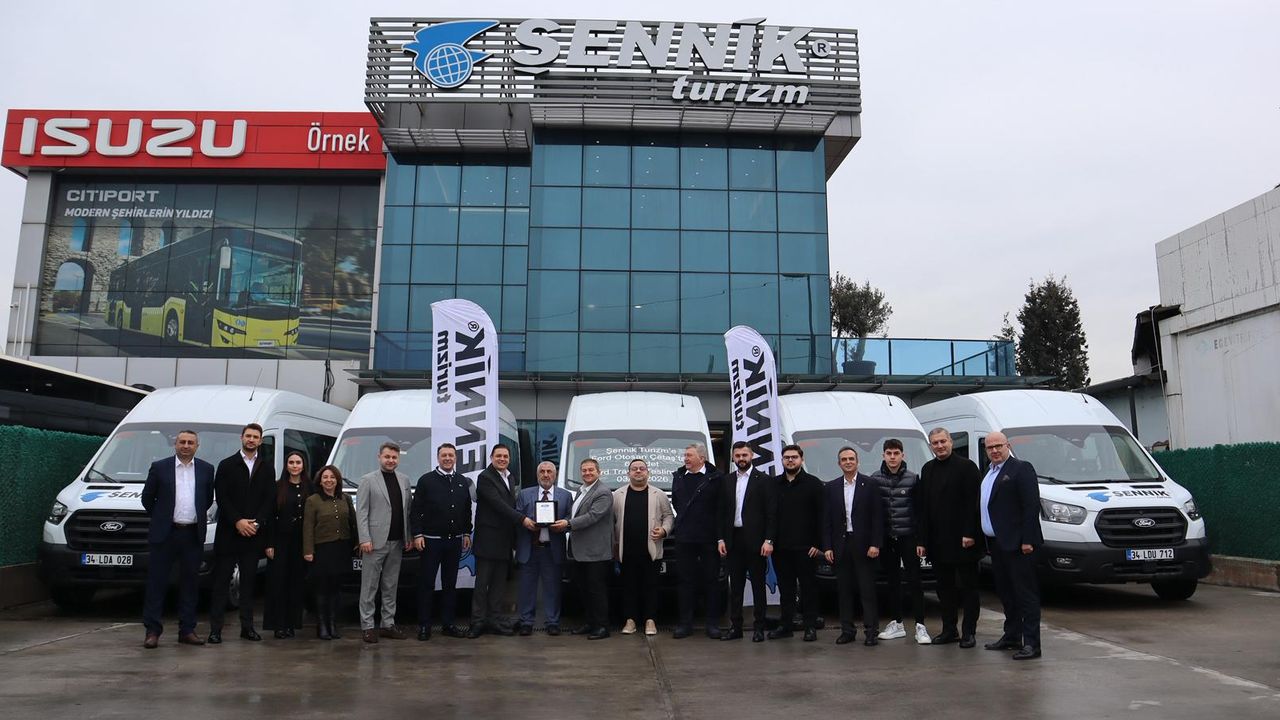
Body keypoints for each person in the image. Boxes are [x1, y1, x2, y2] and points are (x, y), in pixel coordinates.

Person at [140, 429, 214, 648]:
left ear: (197, 446)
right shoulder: (160, 467)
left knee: (190, 584)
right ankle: (152, 631)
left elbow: (206, 499)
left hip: (192, 534)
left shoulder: (206, 469)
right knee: (157, 583)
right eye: (182, 442)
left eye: (190, 442)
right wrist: (162, 517)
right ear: (175, 444)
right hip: (165, 534)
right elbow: (147, 499)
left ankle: (187, 630)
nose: (186, 446)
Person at [916, 428, 984, 648]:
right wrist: (922, 540)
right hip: (938, 542)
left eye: (943, 441)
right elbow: (924, 508)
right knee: (944, 589)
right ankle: (949, 630)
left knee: (968, 588)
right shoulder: (928, 469)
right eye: (935, 443)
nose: (939, 446)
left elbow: (974, 503)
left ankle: (969, 632)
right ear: (930, 446)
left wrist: (970, 533)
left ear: (951, 442)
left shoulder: (967, 467)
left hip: (964, 540)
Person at [208, 423, 275, 644]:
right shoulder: (227, 465)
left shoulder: (267, 468)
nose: (251, 440)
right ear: (242, 438)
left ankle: (247, 628)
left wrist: (257, 522)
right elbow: (222, 497)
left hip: (253, 535)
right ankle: (215, 630)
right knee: (221, 584)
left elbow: (269, 499)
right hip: (228, 534)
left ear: (260, 440)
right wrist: (237, 521)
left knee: (248, 585)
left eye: (255, 437)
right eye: (248, 436)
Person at [980, 431, 1044, 660]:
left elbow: (1031, 506)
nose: (995, 450)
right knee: (1006, 593)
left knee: (1025, 594)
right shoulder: (988, 473)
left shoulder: (1021, 468)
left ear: (1007, 445)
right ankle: (1012, 636)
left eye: (998, 446)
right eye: (990, 447)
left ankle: (1032, 644)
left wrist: (1027, 540)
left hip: (1019, 545)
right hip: (997, 544)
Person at [410, 442, 473, 641]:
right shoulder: (426, 480)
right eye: (444, 455)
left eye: (450, 455)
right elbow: (415, 510)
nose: (447, 458)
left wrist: (466, 533)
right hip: (430, 542)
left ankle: (448, 624)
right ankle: (424, 626)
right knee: (427, 584)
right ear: (438, 458)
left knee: (450, 585)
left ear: (455, 458)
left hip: (454, 542)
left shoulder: (462, 481)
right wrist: (417, 534)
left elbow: (466, 510)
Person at [821, 446, 884, 646]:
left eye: (851, 459)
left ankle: (871, 632)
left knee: (867, 591)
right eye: (844, 459)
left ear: (857, 461)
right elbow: (826, 520)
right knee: (844, 591)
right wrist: (827, 546)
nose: (848, 462)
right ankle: (847, 631)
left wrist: (875, 544)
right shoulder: (831, 487)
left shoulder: (871, 484)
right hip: (841, 545)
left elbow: (878, 517)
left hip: (864, 546)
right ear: (839, 463)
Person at [872, 439, 930, 645]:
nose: (892, 457)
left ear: (902, 455)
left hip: (909, 537)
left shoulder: (913, 479)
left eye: (896, 453)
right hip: (887, 539)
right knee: (892, 581)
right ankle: (897, 623)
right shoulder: (875, 479)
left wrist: (921, 541)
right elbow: (873, 512)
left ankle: (920, 626)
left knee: (915, 581)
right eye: (889, 453)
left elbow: (920, 512)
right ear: (883, 455)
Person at [469, 443, 530, 638]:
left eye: (505, 456)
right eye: (498, 456)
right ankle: (477, 621)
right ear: (491, 458)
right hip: (488, 539)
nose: (502, 459)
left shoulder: (510, 477)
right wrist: (522, 519)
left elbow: (511, 504)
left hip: (504, 540)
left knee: (499, 584)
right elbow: (498, 504)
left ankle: (494, 620)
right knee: (482, 584)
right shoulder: (485, 477)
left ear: (509, 459)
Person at [718, 441, 776, 643]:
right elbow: (721, 513)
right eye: (738, 455)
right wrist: (720, 538)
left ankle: (759, 628)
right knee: (736, 587)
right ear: (733, 457)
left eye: (744, 455)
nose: (741, 459)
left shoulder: (765, 480)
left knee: (758, 586)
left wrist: (769, 540)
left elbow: (771, 513)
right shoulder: (726, 480)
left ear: (752, 456)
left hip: (757, 541)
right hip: (733, 539)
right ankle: (736, 627)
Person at [355, 442, 413, 643]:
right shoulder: (368, 480)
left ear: (399, 459)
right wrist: (364, 538)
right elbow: (362, 512)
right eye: (387, 456)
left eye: (394, 457)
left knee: (390, 585)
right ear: (379, 457)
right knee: (369, 586)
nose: (390, 460)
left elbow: (407, 511)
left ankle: (388, 624)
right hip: (374, 542)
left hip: (397, 542)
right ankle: (367, 626)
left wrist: (408, 536)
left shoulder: (404, 480)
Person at [612, 458, 674, 637]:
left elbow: (669, 516)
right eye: (634, 469)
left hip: (651, 550)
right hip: (626, 550)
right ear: (628, 473)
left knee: (651, 586)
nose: (638, 471)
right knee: (628, 587)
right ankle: (630, 621)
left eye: (642, 468)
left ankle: (650, 620)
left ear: (648, 472)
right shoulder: (618, 495)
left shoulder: (658, 494)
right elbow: (612, 520)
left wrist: (664, 530)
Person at [552, 458, 613, 640]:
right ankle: (590, 623)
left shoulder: (603, 492)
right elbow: (575, 513)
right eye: (584, 470)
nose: (587, 473)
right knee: (584, 590)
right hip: (580, 551)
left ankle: (602, 627)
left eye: (591, 470)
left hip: (595, 552)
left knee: (596, 591)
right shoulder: (581, 490)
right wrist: (564, 520)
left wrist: (568, 524)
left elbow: (593, 516)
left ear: (599, 472)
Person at [769, 443, 824, 642]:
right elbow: (770, 516)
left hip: (807, 549)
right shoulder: (774, 484)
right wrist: (770, 541)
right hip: (781, 548)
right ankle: (786, 626)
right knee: (786, 590)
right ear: (782, 460)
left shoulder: (814, 484)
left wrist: (818, 544)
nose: (790, 460)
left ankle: (810, 627)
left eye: (794, 457)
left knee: (809, 589)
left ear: (802, 459)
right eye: (787, 458)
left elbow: (822, 516)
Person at [670, 443, 724, 640]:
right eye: (685, 455)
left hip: (709, 538)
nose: (685, 458)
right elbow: (677, 503)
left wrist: (720, 537)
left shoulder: (716, 478)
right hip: (684, 538)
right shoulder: (678, 477)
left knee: (711, 581)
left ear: (702, 458)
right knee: (685, 582)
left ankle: (712, 624)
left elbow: (721, 509)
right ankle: (685, 624)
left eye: (689, 455)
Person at [514, 461, 572, 636]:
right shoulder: (524, 494)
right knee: (526, 588)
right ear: (537, 474)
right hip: (529, 548)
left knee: (553, 588)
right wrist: (527, 521)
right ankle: (526, 622)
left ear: (555, 475)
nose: (546, 475)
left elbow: (570, 517)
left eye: (549, 472)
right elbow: (517, 515)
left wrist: (564, 523)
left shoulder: (565, 495)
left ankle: (552, 622)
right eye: (542, 471)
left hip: (552, 549)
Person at [302, 465, 358, 640]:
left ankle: (333, 624)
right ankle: (322, 625)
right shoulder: (313, 500)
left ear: (337, 480)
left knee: (336, 588)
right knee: (322, 588)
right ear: (320, 480)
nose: (329, 480)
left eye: (332, 477)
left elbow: (353, 523)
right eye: (325, 477)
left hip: (341, 548)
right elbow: (308, 527)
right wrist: (308, 550)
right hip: (322, 549)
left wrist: (357, 544)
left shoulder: (345, 498)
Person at [263, 450, 312, 639]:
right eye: (291, 462)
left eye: (298, 462)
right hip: (280, 541)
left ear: (303, 465)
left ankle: (292, 624)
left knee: (296, 583)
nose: (295, 466)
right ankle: (278, 625)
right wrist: (269, 544)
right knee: (278, 583)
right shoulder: (277, 487)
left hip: (301, 542)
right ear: (286, 465)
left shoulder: (310, 488)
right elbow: (270, 517)